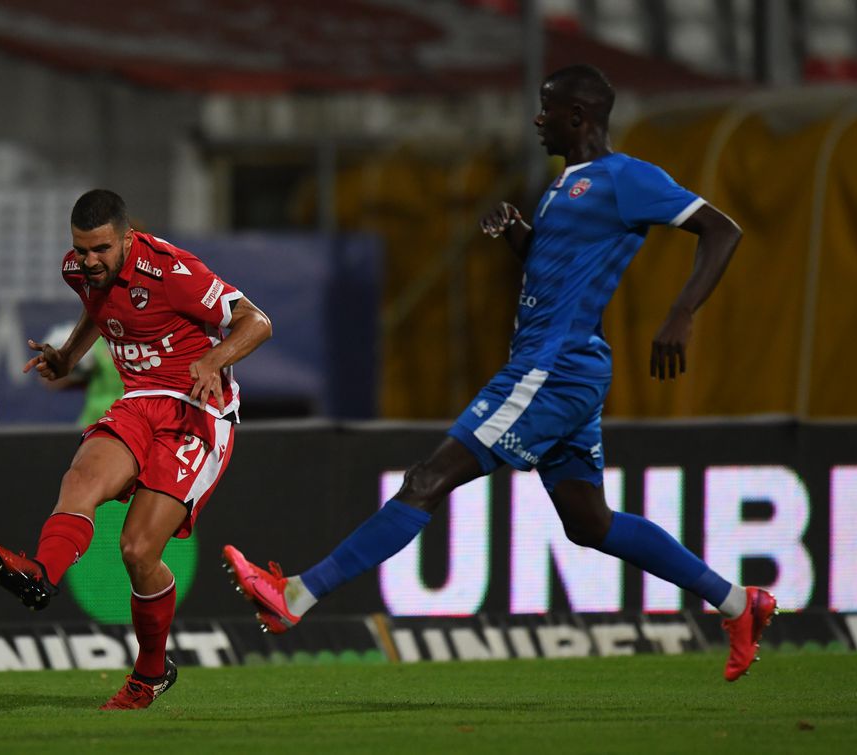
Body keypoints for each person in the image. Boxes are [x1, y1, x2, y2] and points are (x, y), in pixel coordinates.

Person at [222, 65, 774, 683]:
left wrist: (681, 313)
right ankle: (738, 603)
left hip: (551, 369)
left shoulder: (627, 177)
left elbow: (722, 231)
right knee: (590, 522)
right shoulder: (565, 184)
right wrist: (521, 240)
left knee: (427, 479)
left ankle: (296, 595)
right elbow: (559, 272)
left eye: (547, 109)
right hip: (565, 366)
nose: (537, 120)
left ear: (579, 117)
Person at [0, 188, 272, 710]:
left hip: (196, 412)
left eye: (101, 251)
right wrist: (67, 358)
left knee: (137, 550)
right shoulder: (80, 271)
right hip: (139, 402)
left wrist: (213, 360)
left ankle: (150, 673)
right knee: (80, 480)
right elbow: (100, 308)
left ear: (127, 238)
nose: (88, 262)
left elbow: (257, 321)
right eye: (81, 250)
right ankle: (41, 574)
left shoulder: (174, 272)